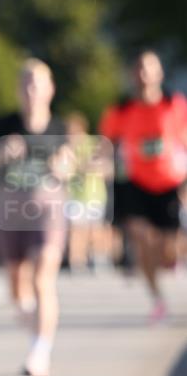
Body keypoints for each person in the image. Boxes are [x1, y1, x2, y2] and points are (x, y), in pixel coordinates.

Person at [0, 59, 70, 376]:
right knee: (17, 284)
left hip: (47, 212)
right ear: (18, 89)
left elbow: (72, 167)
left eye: (37, 84)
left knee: (42, 278)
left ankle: (40, 352)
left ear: (50, 89)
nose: (31, 91)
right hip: (10, 213)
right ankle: (31, 320)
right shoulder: (2, 125)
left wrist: (62, 167)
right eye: (26, 83)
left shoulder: (60, 128)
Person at [99, 51, 187, 322]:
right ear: (132, 74)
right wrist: (100, 165)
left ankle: (171, 260)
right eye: (139, 68)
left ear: (160, 73)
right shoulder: (121, 110)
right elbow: (105, 145)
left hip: (170, 183)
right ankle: (157, 298)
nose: (144, 74)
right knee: (142, 241)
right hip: (135, 183)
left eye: (149, 69)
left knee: (167, 249)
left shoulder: (175, 105)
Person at [64, 112, 112, 273]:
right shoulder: (66, 146)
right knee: (76, 229)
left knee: (95, 229)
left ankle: (99, 259)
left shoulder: (93, 143)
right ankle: (77, 262)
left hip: (94, 194)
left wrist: (87, 166)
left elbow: (104, 166)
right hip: (74, 195)